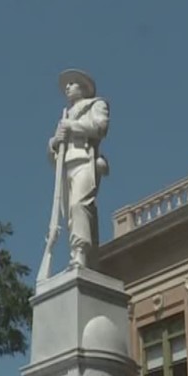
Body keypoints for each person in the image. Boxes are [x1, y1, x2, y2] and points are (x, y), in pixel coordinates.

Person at [48, 69, 109, 270]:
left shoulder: (96, 104)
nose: (67, 87)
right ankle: (77, 253)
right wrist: (54, 142)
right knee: (70, 216)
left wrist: (72, 127)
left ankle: (81, 252)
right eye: (66, 85)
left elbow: (100, 127)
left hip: (84, 160)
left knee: (79, 205)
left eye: (72, 83)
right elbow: (52, 153)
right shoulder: (64, 115)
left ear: (83, 87)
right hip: (66, 166)